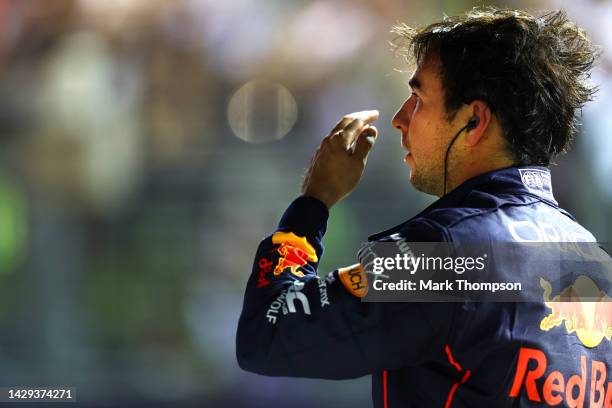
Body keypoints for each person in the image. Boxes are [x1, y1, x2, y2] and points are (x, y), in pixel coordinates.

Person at [236, 7, 611, 407]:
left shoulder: (447, 252)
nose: (399, 119)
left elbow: (268, 334)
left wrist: (312, 204)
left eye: (417, 98)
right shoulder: (594, 263)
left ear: (475, 121)